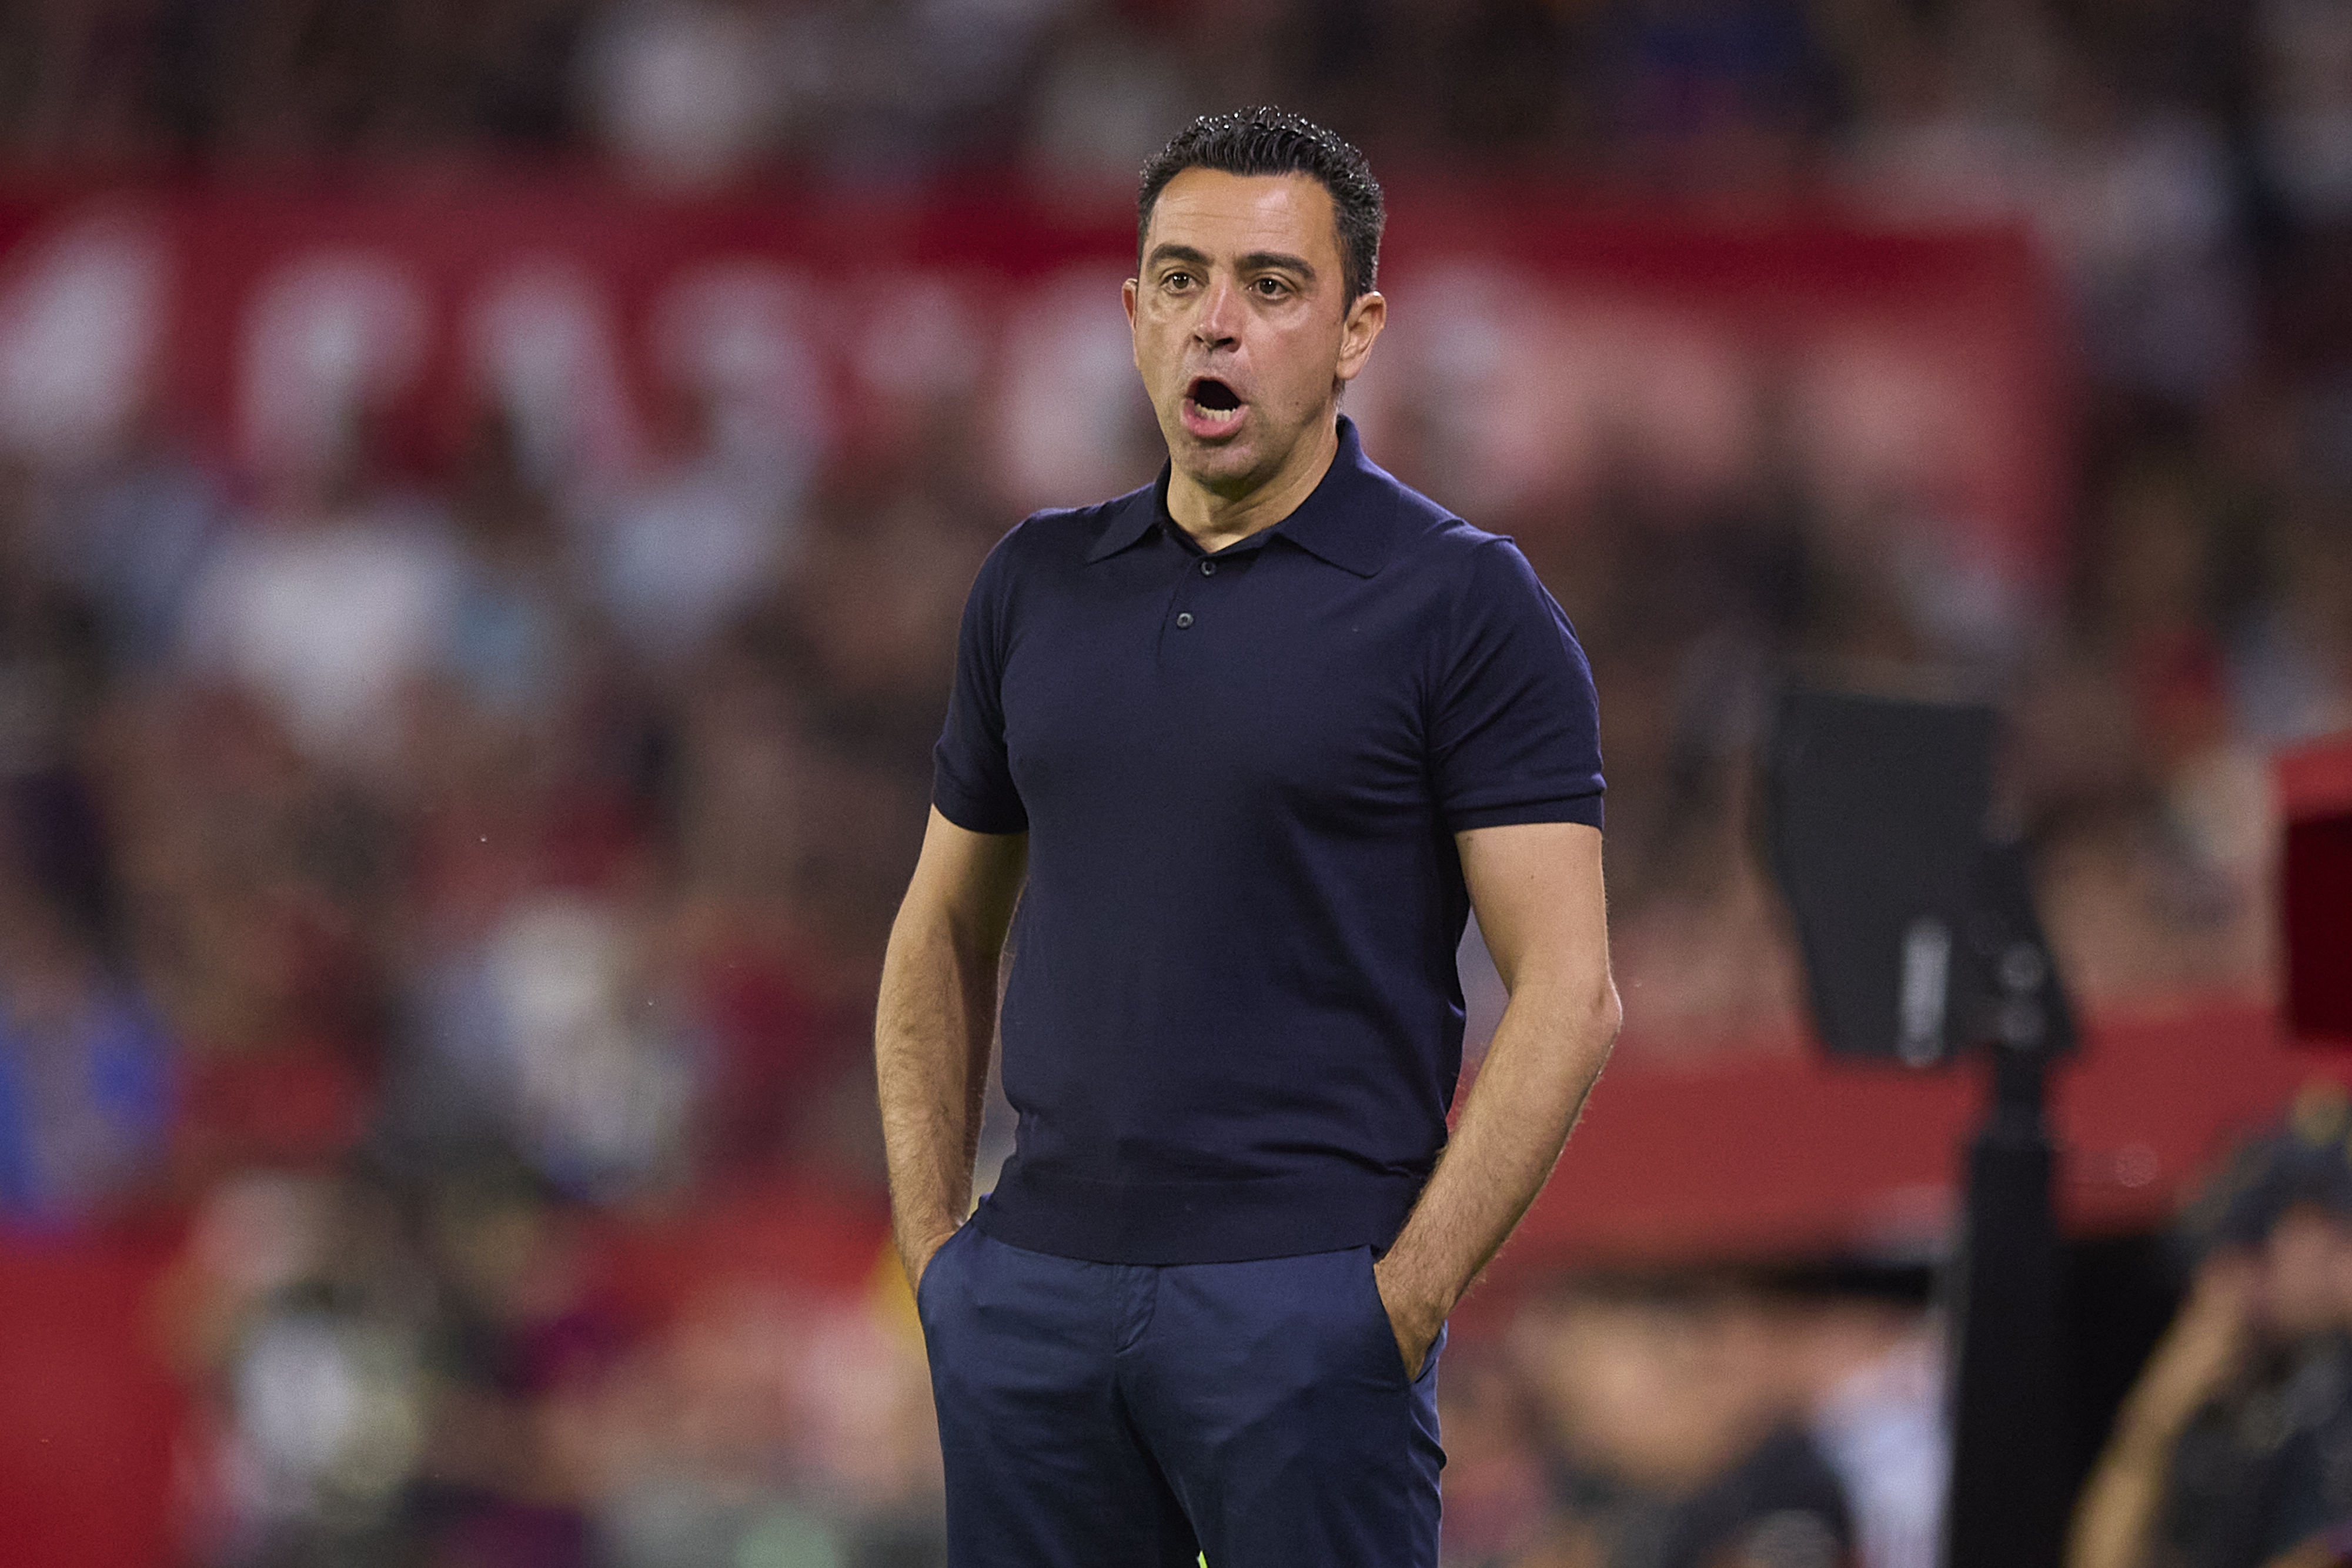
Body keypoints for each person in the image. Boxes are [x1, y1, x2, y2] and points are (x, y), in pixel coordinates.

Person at [873, 106, 1621, 1567]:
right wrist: (937, 1255)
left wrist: (1397, 1299)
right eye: (1177, 277)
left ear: (1355, 331)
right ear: (1132, 311)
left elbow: (1571, 989)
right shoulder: (1032, 582)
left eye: (1270, 288)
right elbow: (939, 928)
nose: (1215, 321)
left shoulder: (1464, 603)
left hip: (1302, 1300)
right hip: (1030, 1293)